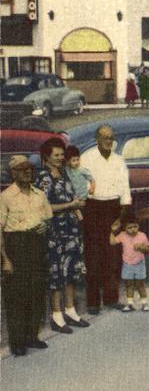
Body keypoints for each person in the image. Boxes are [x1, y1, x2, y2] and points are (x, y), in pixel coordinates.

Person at [0, 155, 53, 356]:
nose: (27, 172)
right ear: (13, 173)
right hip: (16, 246)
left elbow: (48, 218)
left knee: (36, 292)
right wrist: (5, 258)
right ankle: (18, 342)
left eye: (29, 169)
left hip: (36, 245)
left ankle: (33, 336)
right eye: (22, 169)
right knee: (16, 296)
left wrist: (44, 228)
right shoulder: (6, 197)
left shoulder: (39, 194)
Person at [35, 138, 89, 333]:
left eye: (61, 155)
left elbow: (70, 196)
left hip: (71, 229)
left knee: (72, 271)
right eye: (56, 155)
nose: (60, 158)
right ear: (46, 157)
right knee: (57, 273)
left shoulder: (65, 172)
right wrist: (70, 206)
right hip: (56, 232)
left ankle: (71, 311)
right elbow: (44, 207)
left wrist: (77, 211)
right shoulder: (44, 177)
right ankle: (57, 317)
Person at [81, 125, 132, 314]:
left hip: (113, 210)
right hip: (93, 209)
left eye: (111, 138)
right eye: (104, 138)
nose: (108, 141)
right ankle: (93, 302)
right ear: (97, 138)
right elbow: (82, 187)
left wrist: (121, 216)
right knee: (93, 257)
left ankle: (111, 298)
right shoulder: (87, 159)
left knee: (112, 257)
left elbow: (125, 189)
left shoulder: (119, 160)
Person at [110, 214, 149, 312]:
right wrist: (112, 231)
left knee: (140, 284)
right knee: (129, 284)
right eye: (129, 228)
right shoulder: (122, 235)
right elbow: (112, 242)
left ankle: (144, 303)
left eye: (135, 227)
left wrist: (142, 248)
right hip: (127, 263)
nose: (133, 229)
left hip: (139, 263)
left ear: (138, 226)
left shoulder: (142, 235)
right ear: (124, 228)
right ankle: (130, 304)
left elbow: (148, 249)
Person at [65, 145, 95, 221]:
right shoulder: (67, 170)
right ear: (68, 161)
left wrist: (92, 188)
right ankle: (77, 213)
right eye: (73, 160)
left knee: (82, 207)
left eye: (78, 159)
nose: (77, 162)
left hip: (82, 195)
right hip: (74, 195)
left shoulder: (81, 169)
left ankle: (80, 215)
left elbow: (92, 179)